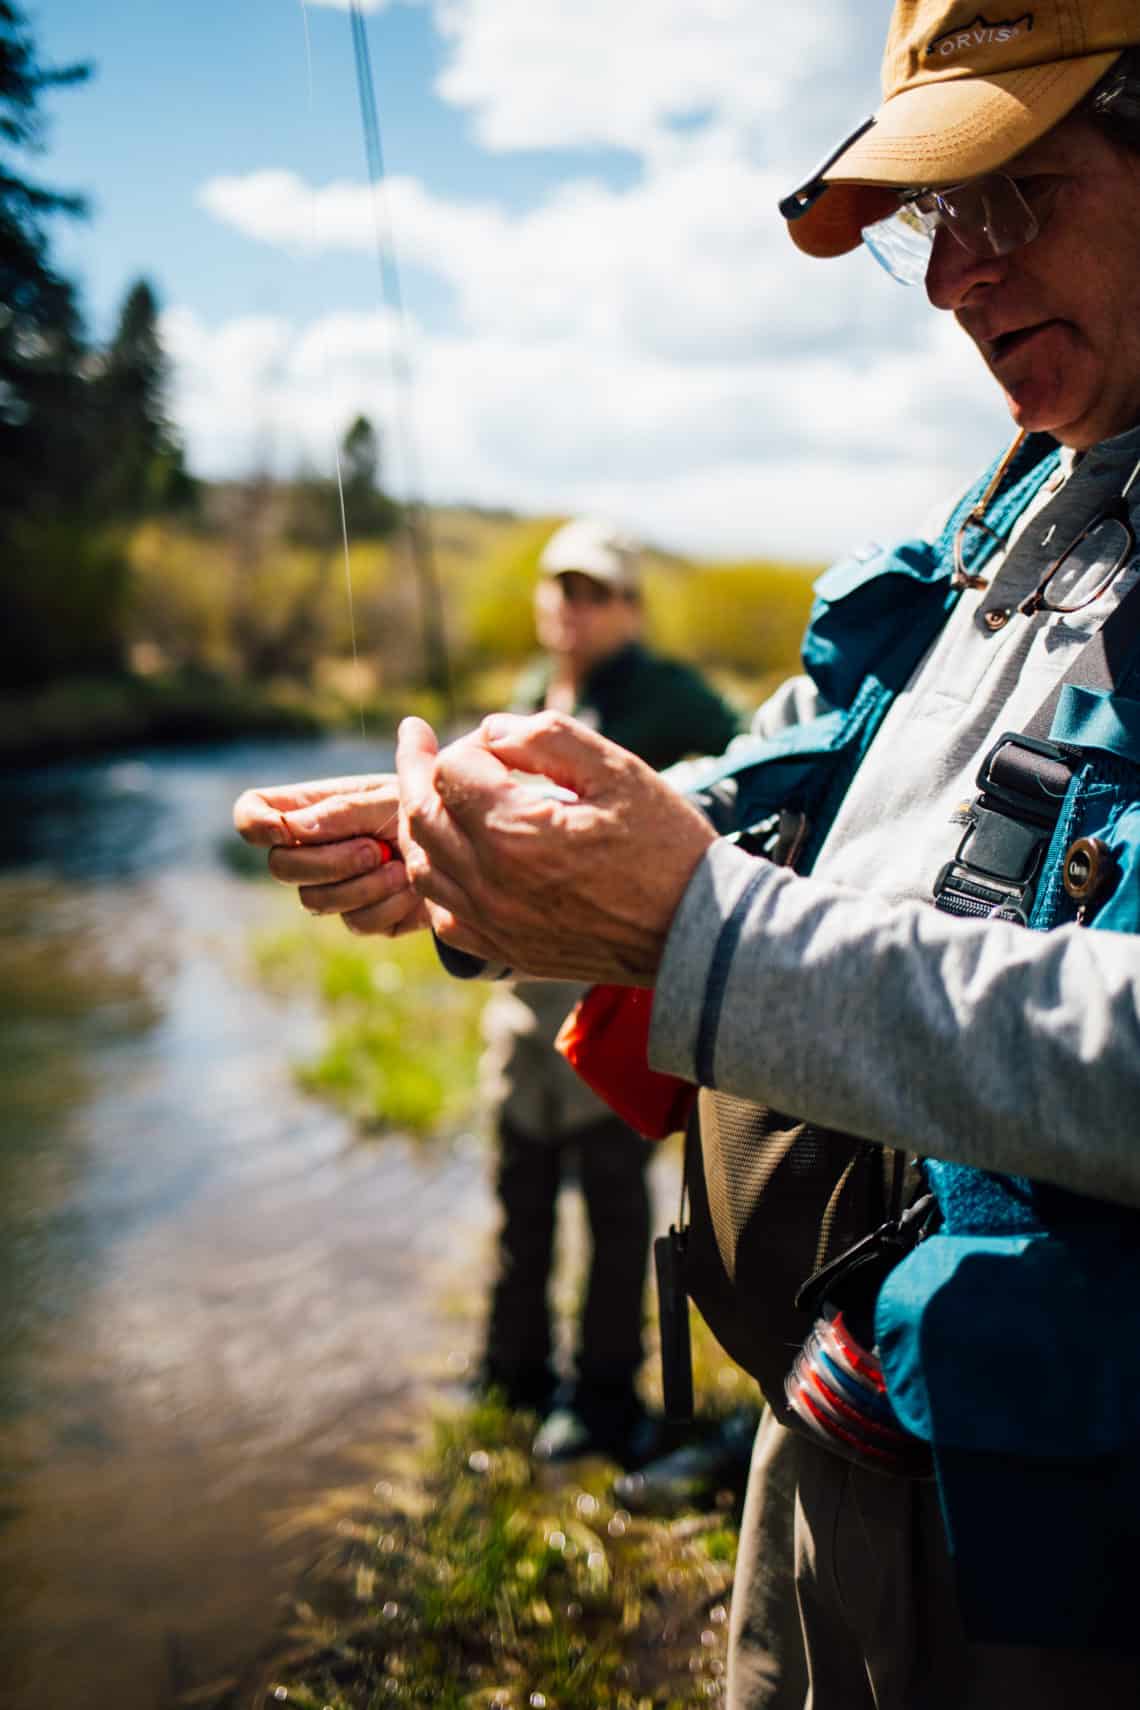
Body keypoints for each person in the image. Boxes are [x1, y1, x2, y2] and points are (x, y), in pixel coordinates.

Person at [234, 3, 1140, 1700]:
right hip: (844, 1428)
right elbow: (801, 786)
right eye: (939, 220)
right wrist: (512, 863)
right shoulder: (1009, 510)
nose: (953, 280)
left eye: (1011, 194)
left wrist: (696, 932)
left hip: (1066, 1582)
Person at [473, 516, 742, 1460]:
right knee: (521, 1193)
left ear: (631, 607)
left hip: (611, 1006)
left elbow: (749, 782)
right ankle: (509, 1375)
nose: (572, 607)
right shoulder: (525, 691)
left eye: (595, 592)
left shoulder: (672, 700)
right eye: (560, 587)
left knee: (618, 1212)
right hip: (520, 1006)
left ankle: (602, 1396)